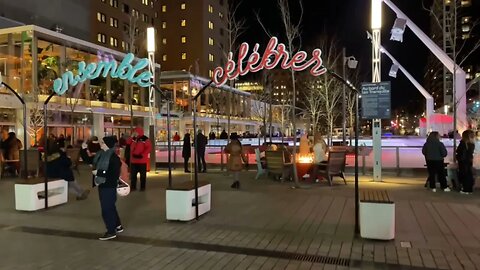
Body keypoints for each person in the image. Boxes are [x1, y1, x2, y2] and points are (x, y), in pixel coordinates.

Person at [92, 136, 123, 241]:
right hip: (102, 185)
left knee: (106, 209)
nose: (101, 144)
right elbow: (91, 160)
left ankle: (111, 231)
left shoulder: (114, 158)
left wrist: (99, 173)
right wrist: (83, 149)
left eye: (103, 142)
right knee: (110, 206)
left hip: (109, 185)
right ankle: (118, 226)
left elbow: (113, 174)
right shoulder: (101, 154)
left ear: (108, 145)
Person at [457, 130, 475, 194]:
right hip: (469, 161)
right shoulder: (471, 144)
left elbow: (459, 152)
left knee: (464, 175)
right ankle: (469, 189)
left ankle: (466, 189)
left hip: (463, 162)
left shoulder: (463, 143)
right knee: (469, 174)